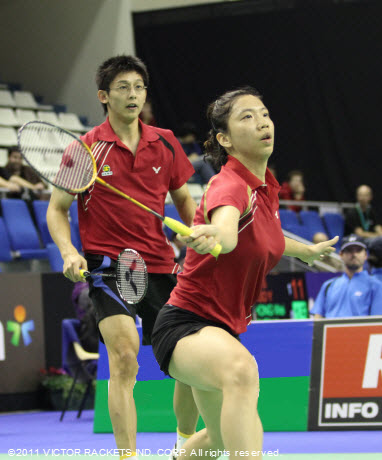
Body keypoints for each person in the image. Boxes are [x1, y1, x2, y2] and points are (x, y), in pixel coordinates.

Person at [151, 86, 338, 458]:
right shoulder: (229, 184)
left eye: (264, 113)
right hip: (185, 325)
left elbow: (269, 235)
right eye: (247, 117)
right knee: (242, 370)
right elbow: (228, 231)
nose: (262, 122)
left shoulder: (266, 188)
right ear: (225, 139)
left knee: (219, 440)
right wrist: (216, 236)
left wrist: (307, 251)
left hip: (221, 330)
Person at [47, 55, 199, 459]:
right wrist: (68, 250)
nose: (133, 95)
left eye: (139, 87)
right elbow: (57, 208)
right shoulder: (86, 149)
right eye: (123, 88)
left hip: (160, 266)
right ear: (103, 96)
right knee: (125, 356)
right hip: (107, 267)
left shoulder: (165, 142)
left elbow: (184, 198)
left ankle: (184, 442)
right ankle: (127, 456)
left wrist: (194, 236)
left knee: (186, 359)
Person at [311, 234, 382, 318]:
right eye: (349, 250)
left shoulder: (375, 285)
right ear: (341, 254)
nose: (354, 254)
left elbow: (377, 321)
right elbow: (318, 318)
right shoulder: (328, 285)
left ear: (365, 255)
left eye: (358, 250)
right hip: (330, 330)